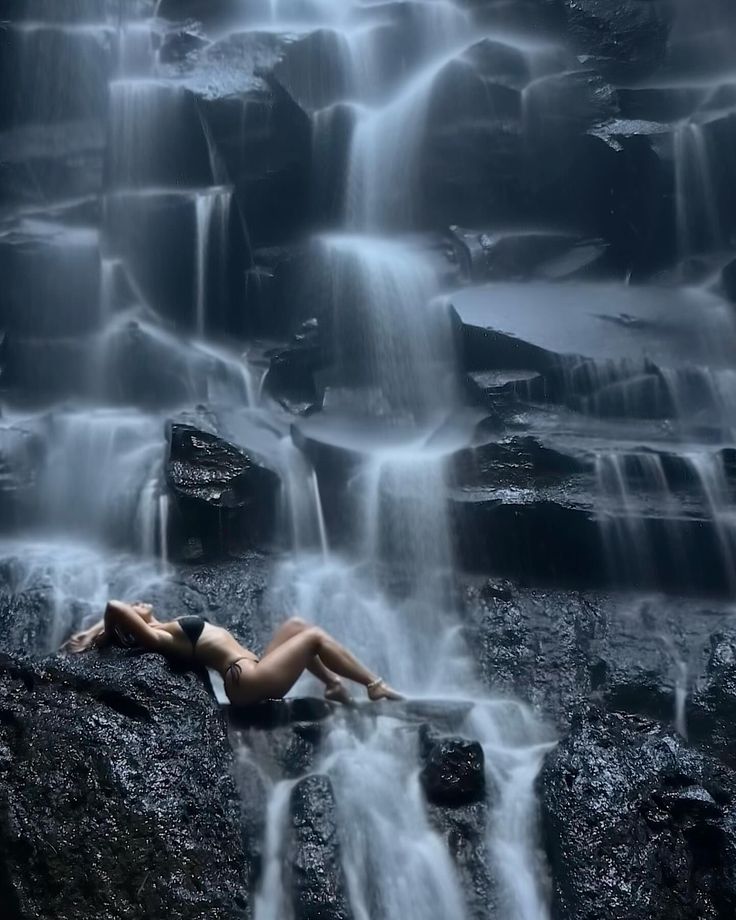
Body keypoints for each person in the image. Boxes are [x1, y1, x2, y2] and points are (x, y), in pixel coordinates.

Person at [62, 600, 402, 706]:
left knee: (296, 625)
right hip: (246, 681)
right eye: (136, 606)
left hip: (254, 667)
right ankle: (373, 685)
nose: (139, 603)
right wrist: (101, 634)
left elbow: (123, 609)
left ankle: (333, 684)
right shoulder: (159, 638)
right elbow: (114, 606)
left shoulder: (164, 627)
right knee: (312, 637)